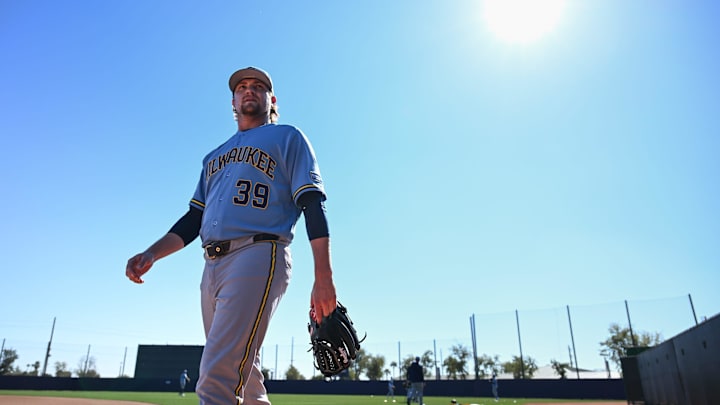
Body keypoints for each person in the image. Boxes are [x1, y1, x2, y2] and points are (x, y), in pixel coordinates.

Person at [125, 66, 338, 405]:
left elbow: (312, 203)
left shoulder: (287, 137)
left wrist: (323, 276)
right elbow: (194, 218)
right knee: (246, 377)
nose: (248, 90)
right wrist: (152, 253)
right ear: (233, 101)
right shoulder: (213, 157)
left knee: (215, 380)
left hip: (258, 253)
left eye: (257, 86)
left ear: (272, 99)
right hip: (211, 266)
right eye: (241, 87)